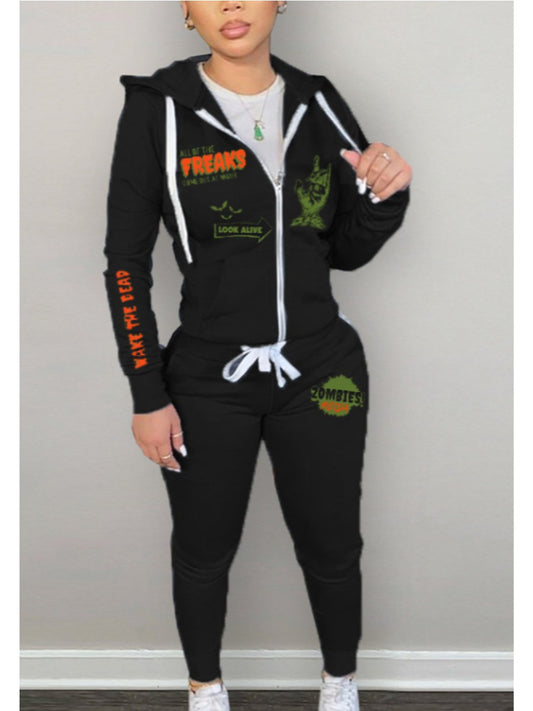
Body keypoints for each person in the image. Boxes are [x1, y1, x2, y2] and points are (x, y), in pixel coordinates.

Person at [103, 2, 412, 709]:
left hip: (322, 369)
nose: (232, 5)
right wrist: (147, 392)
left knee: (333, 543)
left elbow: (342, 251)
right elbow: (125, 264)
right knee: (202, 547)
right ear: (188, 11)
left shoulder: (316, 101)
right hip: (207, 379)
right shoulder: (157, 108)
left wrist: (385, 198)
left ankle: (339, 684)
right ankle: (205, 689)